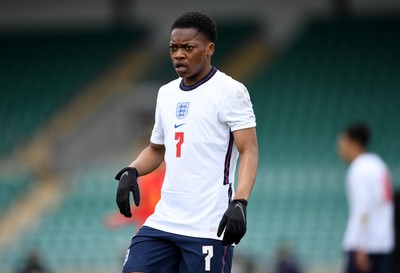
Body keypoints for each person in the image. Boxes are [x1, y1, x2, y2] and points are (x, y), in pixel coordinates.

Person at [114, 11, 258, 273]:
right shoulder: (166, 93)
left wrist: (240, 202)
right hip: (164, 220)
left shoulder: (231, 91)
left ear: (209, 49)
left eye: (188, 47)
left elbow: (249, 150)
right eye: (173, 48)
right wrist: (132, 170)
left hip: (208, 225)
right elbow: (157, 148)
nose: (178, 54)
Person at [337, 122, 394, 273]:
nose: (340, 148)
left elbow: (363, 208)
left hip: (365, 245)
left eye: (342, 142)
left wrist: (361, 245)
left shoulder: (359, 168)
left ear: (354, 143)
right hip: (383, 242)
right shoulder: (378, 164)